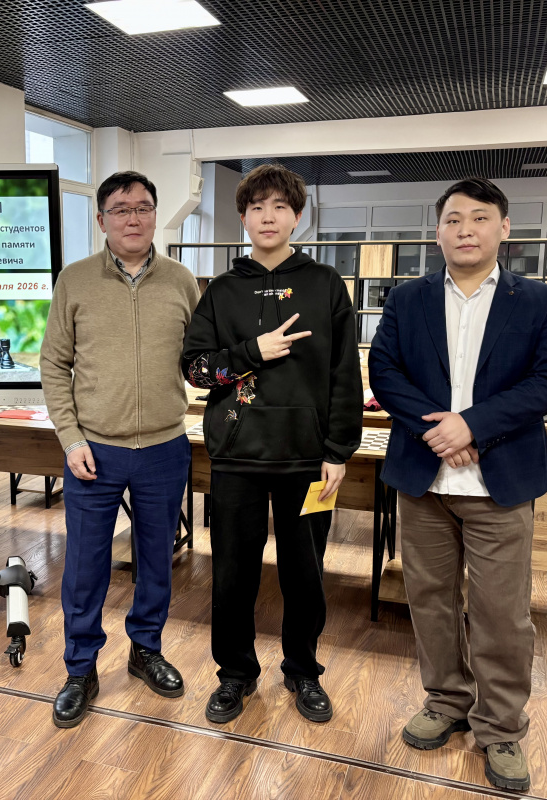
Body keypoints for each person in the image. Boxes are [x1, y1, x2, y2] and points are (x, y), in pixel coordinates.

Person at [368, 177, 547, 792]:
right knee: (428, 600)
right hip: (424, 478)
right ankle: (446, 700)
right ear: (438, 232)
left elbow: (546, 383)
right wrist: (441, 431)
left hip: (499, 482)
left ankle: (501, 727)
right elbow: (384, 371)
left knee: (501, 613)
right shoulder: (408, 298)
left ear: (504, 228)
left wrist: (473, 425)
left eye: (479, 218)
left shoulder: (538, 301)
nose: (465, 230)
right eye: (453, 219)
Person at [182, 164, 363, 725]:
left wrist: (338, 451)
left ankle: (303, 670)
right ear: (243, 216)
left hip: (308, 459)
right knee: (232, 573)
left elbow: (344, 374)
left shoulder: (325, 284)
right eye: (257, 206)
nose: (268, 216)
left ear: (297, 216)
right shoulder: (221, 291)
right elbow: (196, 369)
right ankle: (234, 674)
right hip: (236, 456)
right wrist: (251, 352)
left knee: (305, 573)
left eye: (280, 206)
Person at [40, 171, 201, 728]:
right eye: (121, 209)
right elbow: (53, 365)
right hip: (94, 451)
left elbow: (200, 359)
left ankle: (145, 650)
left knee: (157, 559)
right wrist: (71, 437)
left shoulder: (182, 281)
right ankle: (80, 668)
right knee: (86, 565)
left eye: (143, 207)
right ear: (101, 219)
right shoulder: (76, 281)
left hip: (164, 446)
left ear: (155, 214)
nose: (134, 218)